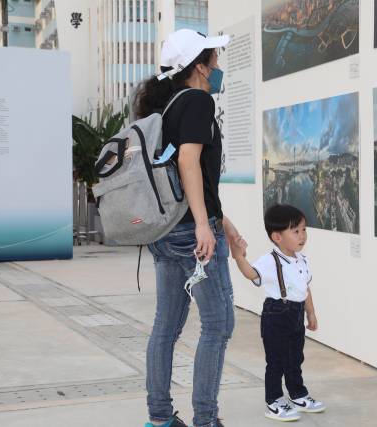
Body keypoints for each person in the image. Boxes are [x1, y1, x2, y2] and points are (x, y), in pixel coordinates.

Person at [133, 29, 244, 427]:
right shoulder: (197, 100)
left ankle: (159, 418)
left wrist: (222, 222)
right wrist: (204, 226)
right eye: (214, 60)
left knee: (166, 325)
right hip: (189, 234)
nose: (218, 67)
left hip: (166, 232)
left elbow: (191, 182)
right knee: (218, 325)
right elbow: (188, 163)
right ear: (199, 66)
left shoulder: (167, 108)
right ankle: (206, 420)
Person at [230, 204, 326, 422]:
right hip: (276, 315)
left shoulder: (302, 259)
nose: (302, 236)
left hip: (296, 314)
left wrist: (311, 313)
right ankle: (273, 401)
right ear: (277, 237)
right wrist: (238, 257)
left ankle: (298, 394)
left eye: (304, 230)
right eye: (296, 231)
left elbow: (305, 288)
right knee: (276, 361)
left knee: (295, 358)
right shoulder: (270, 260)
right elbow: (251, 274)